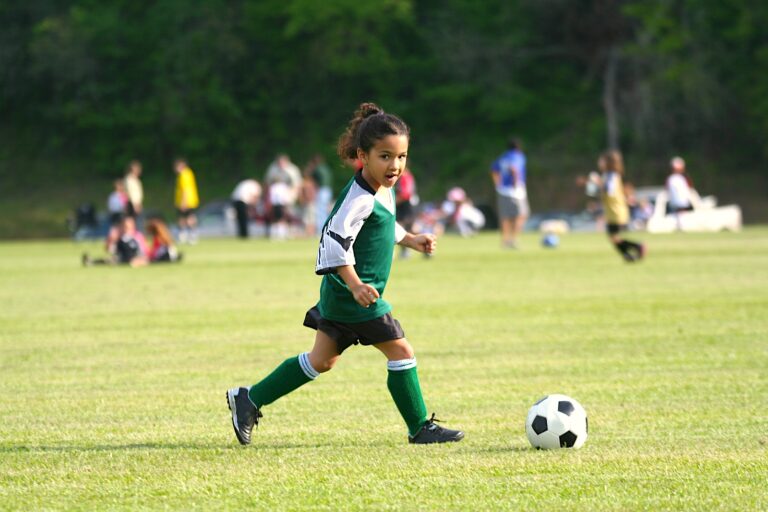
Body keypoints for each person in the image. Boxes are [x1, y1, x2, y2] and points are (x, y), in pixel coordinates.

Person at [226, 102, 464, 446]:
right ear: (362, 156)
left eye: (401, 156)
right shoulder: (358, 198)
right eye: (385, 156)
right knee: (402, 353)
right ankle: (419, 428)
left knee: (320, 361)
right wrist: (355, 285)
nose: (394, 165)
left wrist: (409, 239)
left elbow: (382, 225)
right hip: (354, 298)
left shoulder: (383, 189)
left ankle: (248, 399)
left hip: (344, 296)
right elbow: (332, 242)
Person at [598, 150, 645, 262]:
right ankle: (628, 255)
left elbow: (609, 191)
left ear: (608, 162)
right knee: (613, 237)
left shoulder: (610, 176)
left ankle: (637, 247)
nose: (600, 162)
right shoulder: (613, 175)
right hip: (614, 211)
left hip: (615, 212)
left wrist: (597, 184)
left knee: (613, 236)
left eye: (602, 160)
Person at [491, 137, 529, 249]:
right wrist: (516, 183)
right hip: (515, 190)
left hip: (503, 190)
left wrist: (497, 184)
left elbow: (494, 170)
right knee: (521, 215)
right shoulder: (518, 156)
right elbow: (514, 169)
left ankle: (505, 240)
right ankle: (514, 239)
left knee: (505, 217)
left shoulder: (503, 157)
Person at [82, 215, 148, 267]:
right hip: (121, 259)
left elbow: (143, 252)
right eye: (124, 227)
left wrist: (138, 260)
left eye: (127, 227)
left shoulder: (137, 237)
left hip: (134, 259)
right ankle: (91, 261)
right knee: (110, 259)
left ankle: (92, 262)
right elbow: (110, 249)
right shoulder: (121, 239)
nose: (125, 229)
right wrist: (111, 240)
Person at [306, 154, 334, 236]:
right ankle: (327, 229)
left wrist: (310, 169)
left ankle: (320, 230)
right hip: (328, 190)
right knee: (326, 210)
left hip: (322, 190)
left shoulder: (317, 169)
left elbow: (310, 177)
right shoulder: (326, 168)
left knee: (320, 211)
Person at [174, 158, 200, 244]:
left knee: (184, 218)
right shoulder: (189, 173)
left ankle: (184, 235)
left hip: (186, 201)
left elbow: (185, 189)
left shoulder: (183, 175)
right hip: (192, 200)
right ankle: (191, 235)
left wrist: (183, 202)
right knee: (190, 217)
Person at [394, 167, 417, 258]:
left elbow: (405, 194)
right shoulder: (401, 176)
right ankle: (405, 252)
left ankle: (426, 243)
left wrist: (391, 203)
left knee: (404, 229)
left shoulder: (405, 176)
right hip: (402, 205)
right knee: (403, 229)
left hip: (405, 206)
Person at [124, 160, 144, 225]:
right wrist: (135, 204)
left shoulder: (135, 179)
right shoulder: (130, 179)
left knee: (133, 219)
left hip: (135, 202)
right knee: (131, 219)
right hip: (132, 202)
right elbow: (130, 192)